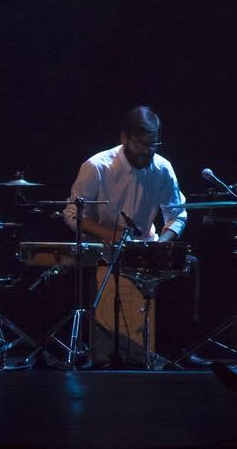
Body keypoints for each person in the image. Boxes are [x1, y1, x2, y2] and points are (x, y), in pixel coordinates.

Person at [63, 106, 188, 365]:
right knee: (81, 275)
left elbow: (178, 214)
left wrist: (161, 246)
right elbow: (72, 214)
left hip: (145, 251)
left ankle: (173, 351)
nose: (147, 150)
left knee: (189, 268)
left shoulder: (163, 168)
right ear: (124, 138)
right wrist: (110, 234)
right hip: (102, 249)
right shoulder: (96, 166)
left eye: (153, 144)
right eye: (141, 144)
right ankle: (99, 351)